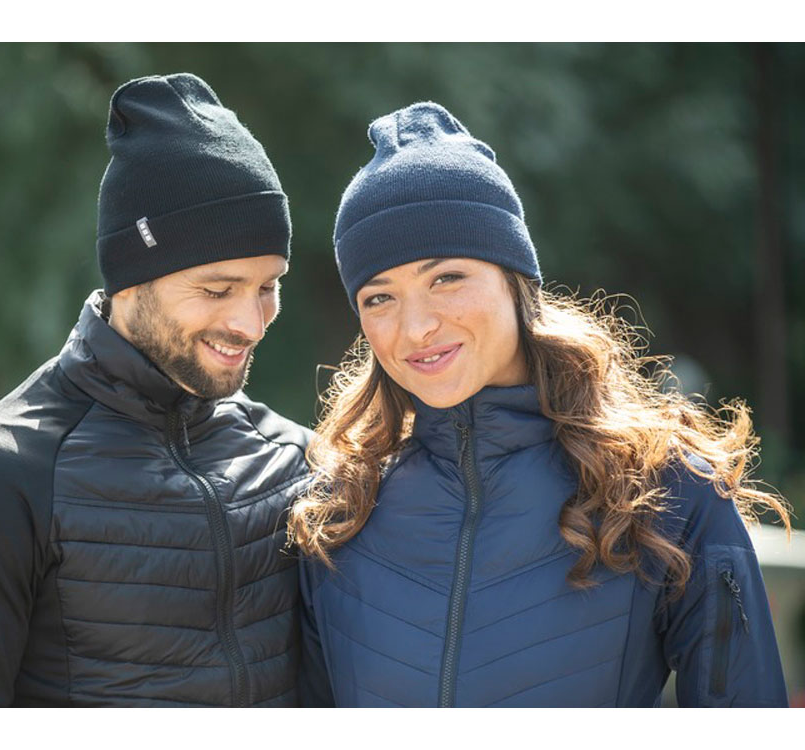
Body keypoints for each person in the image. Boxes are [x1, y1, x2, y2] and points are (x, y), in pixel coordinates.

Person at [290, 101, 791, 708]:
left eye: (446, 278)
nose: (415, 327)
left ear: (515, 281)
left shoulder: (664, 493)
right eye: (378, 298)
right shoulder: (335, 512)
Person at [0, 73, 311, 707]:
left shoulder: (291, 459)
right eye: (218, 290)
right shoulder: (1, 478)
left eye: (268, 286)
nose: (251, 322)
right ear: (131, 280)